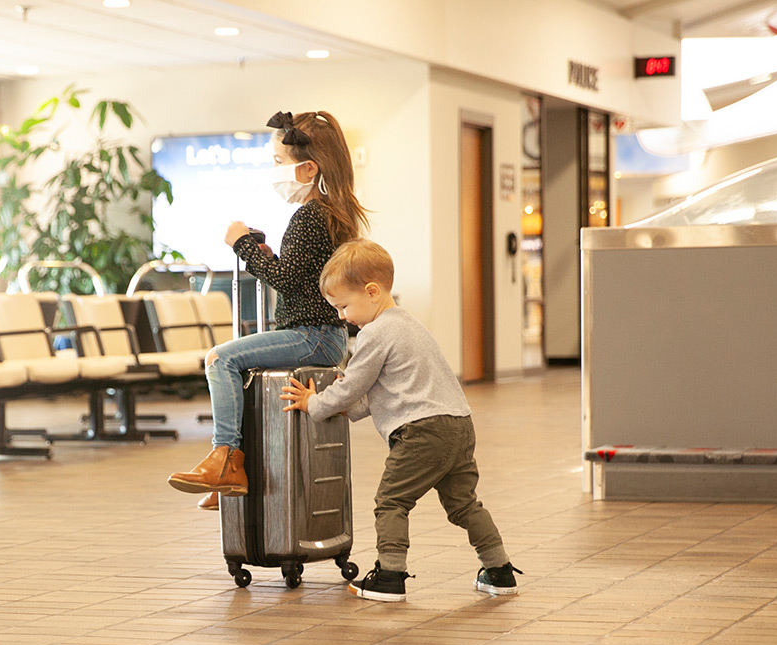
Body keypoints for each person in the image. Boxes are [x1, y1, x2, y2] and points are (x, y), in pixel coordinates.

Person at [280, 239, 521, 602]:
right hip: (458, 424)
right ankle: (499, 570)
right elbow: (380, 392)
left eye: (344, 306)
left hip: (422, 431)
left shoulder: (375, 333)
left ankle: (390, 576)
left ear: (372, 292)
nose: (343, 316)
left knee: (391, 501)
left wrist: (315, 403)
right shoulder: (407, 324)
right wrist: (351, 410)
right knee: (464, 504)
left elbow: (352, 386)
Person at [168, 110, 369, 509]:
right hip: (323, 335)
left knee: (219, 359)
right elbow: (303, 274)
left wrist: (241, 243)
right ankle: (232, 470)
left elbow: (287, 281)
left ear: (308, 168)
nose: (273, 170)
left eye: (279, 163)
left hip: (311, 336)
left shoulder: (310, 214)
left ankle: (225, 458)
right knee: (234, 365)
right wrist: (268, 256)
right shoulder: (334, 212)